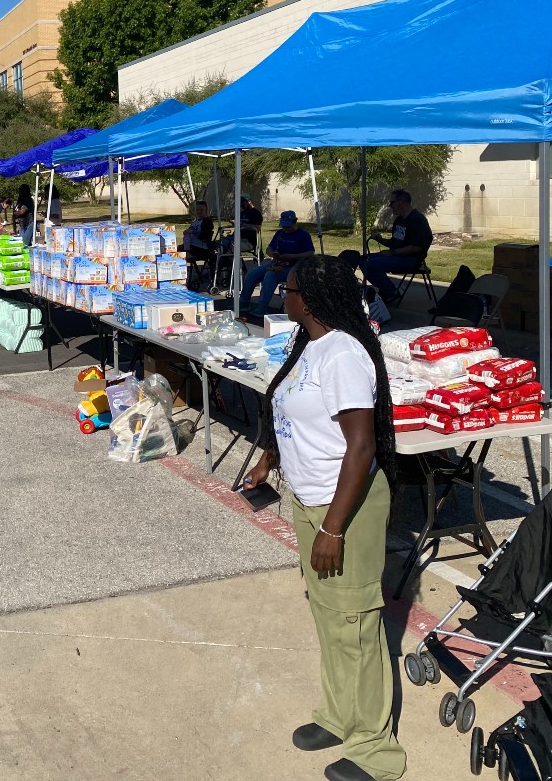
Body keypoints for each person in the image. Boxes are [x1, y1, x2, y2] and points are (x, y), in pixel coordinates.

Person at [243, 255, 405, 781]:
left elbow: (361, 447)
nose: (279, 296)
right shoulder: (309, 347)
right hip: (311, 502)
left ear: (306, 299)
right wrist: (270, 457)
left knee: (356, 624)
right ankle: (338, 716)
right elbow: (291, 412)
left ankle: (376, 752)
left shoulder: (344, 355)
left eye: (285, 289)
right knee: (329, 618)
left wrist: (334, 527)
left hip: (347, 509)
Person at [351, 189, 434, 307]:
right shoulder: (399, 220)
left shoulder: (417, 220)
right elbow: (395, 242)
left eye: (392, 202)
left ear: (400, 202)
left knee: (370, 264)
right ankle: (386, 290)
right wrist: (380, 240)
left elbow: (417, 247)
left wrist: (392, 252)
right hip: (397, 255)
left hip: (411, 260)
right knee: (363, 259)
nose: (390, 206)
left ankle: (391, 292)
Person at [240, 210, 316, 318]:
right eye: (283, 226)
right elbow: (269, 248)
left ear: (295, 222)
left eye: (288, 227)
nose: (285, 229)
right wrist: (272, 253)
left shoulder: (303, 235)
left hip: (294, 267)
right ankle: (243, 303)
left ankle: (262, 307)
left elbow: (310, 253)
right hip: (277, 263)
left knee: (271, 275)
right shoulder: (280, 234)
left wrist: (292, 256)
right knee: (252, 273)